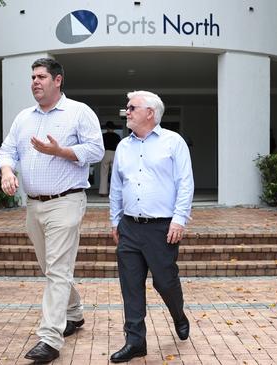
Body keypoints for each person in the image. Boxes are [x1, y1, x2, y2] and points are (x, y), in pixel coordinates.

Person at [0, 58, 104, 363]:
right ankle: (74, 312)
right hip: (34, 205)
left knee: (57, 270)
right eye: (32, 77)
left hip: (66, 201)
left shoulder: (78, 112)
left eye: (41, 76)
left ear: (58, 80)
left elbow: (96, 150)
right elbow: (8, 150)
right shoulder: (23, 118)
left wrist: (61, 151)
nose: (35, 82)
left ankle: (50, 338)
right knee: (51, 268)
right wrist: (7, 171)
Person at [109, 90, 194, 363]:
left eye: (132, 107)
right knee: (131, 286)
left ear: (150, 113)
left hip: (161, 228)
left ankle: (178, 315)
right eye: (127, 108)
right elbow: (116, 187)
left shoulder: (173, 142)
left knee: (165, 282)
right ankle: (135, 341)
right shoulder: (123, 146)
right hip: (130, 227)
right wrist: (115, 220)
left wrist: (179, 219)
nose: (127, 112)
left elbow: (185, 183)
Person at [98, 121, 122, 197]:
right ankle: (114, 192)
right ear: (113, 128)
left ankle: (103, 192)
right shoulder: (117, 136)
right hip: (114, 153)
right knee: (114, 174)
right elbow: (119, 146)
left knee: (104, 173)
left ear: (107, 128)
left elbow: (100, 146)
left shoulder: (103, 136)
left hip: (105, 153)